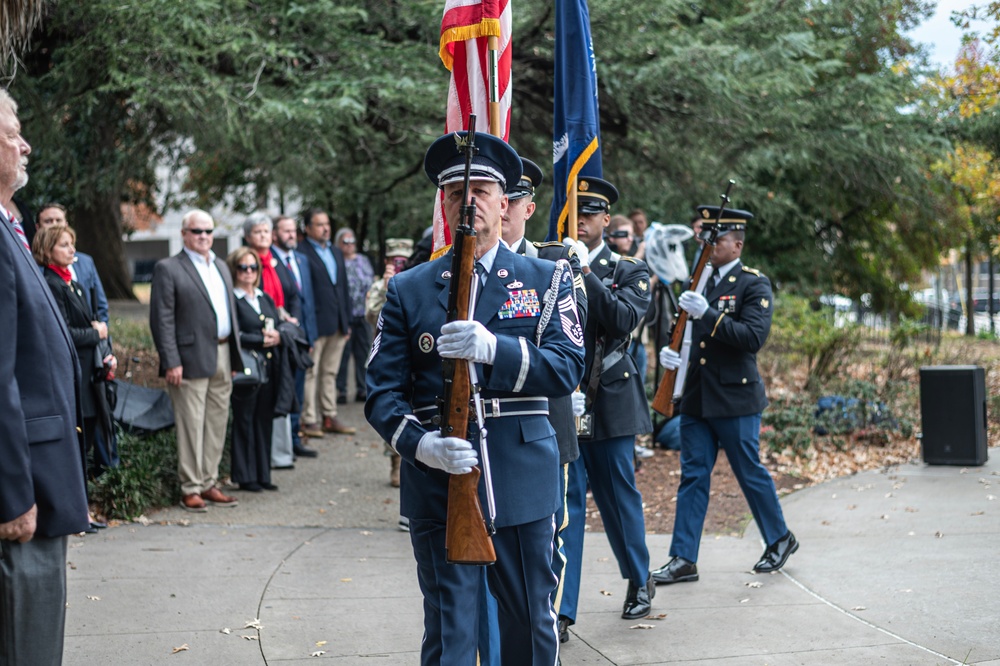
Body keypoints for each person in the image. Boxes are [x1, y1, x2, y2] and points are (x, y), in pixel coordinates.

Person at [365, 131, 585, 665]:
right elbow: (381, 391)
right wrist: (421, 446)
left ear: (505, 202)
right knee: (451, 629)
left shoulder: (546, 277)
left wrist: (497, 350)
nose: (470, 200)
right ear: (443, 203)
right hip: (441, 480)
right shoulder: (409, 288)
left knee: (531, 624)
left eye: (482, 189)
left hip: (522, 472)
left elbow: (567, 366)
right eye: (457, 191)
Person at [653, 205, 798, 586]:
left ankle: (780, 538)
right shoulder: (698, 280)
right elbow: (686, 334)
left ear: (736, 245)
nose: (709, 245)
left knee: (748, 471)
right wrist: (673, 356)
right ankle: (683, 557)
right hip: (698, 396)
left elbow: (752, 339)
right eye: (707, 238)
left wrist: (709, 314)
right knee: (693, 475)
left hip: (735, 398)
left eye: (716, 240)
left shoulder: (753, 284)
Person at [0, 87, 90, 666]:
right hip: (21, 489)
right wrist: (11, 494)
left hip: (39, 476)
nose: (25, 142)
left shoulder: (9, 226)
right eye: (13, 131)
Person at [560, 176, 655, 637]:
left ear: (604, 220)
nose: (582, 219)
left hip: (612, 398)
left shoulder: (629, 270)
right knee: (568, 505)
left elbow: (622, 318)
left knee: (619, 498)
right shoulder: (551, 264)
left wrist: (586, 274)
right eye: (576, 211)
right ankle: (562, 606)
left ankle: (639, 580)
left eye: (591, 213)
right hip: (565, 398)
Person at [501, 156, 588, 637]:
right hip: (486, 426)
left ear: (529, 207)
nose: (505, 209)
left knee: (546, 541)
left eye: (514, 200)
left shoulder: (555, 263)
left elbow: (569, 342)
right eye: (501, 198)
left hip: (546, 423)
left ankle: (545, 630)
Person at [149, 209, 242, 512]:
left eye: (208, 231)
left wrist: (235, 355)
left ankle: (208, 481)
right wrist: (171, 359)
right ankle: (190, 487)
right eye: (197, 231)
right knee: (191, 423)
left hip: (223, 352)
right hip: (188, 357)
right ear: (184, 234)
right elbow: (161, 319)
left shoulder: (222, 267)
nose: (204, 236)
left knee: (216, 422)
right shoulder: (168, 267)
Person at [33, 225, 118, 481]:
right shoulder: (50, 284)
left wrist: (104, 348)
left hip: (90, 375)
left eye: (72, 244)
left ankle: (83, 509)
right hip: (72, 379)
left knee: (88, 443)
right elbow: (63, 333)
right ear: (47, 251)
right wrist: (96, 333)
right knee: (76, 446)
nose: (72, 250)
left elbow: (92, 320)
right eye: (64, 245)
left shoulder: (75, 285)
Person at [227, 247, 282, 492]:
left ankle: (262, 474)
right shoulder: (233, 300)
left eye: (252, 267)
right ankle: (245, 475)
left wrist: (277, 335)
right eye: (243, 267)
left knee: (264, 420)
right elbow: (234, 334)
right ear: (234, 270)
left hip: (268, 368)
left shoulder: (263, 297)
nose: (248, 272)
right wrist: (260, 339)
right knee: (244, 420)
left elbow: (278, 323)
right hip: (246, 369)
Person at [297, 208, 355, 436]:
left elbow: (342, 288)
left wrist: (346, 320)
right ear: (308, 228)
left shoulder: (335, 251)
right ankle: (309, 419)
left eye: (327, 224)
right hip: (315, 323)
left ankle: (329, 416)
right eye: (319, 224)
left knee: (330, 372)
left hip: (337, 322)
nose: (325, 228)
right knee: (311, 372)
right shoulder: (301, 252)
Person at [364, 237, 415, 490]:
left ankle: (409, 460)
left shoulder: (417, 282)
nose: (399, 264)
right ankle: (394, 462)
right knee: (392, 407)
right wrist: (386, 289)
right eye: (395, 260)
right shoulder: (378, 286)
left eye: (403, 260)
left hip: (412, 359)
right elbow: (371, 316)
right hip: (387, 356)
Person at [271, 214, 319, 462]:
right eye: (285, 230)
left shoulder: (301, 259)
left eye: (293, 230)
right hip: (283, 338)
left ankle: (296, 438)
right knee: (286, 391)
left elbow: (307, 302)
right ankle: (285, 443)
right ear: (275, 234)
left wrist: (310, 337)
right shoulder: (268, 261)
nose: (291, 234)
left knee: (299, 390)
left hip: (302, 337)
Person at [37, 203, 109, 323]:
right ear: (38, 227)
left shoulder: (86, 262)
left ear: (66, 224)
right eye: (48, 221)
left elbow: (101, 305)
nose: (54, 225)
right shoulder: (34, 268)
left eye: (58, 220)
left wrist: (101, 333)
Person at [334, 227, 374, 404]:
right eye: (345, 242)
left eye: (352, 242)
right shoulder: (336, 261)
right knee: (343, 354)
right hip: (344, 315)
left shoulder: (363, 260)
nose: (349, 245)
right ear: (338, 244)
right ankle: (340, 390)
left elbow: (371, 282)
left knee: (363, 353)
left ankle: (362, 388)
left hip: (362, 314)